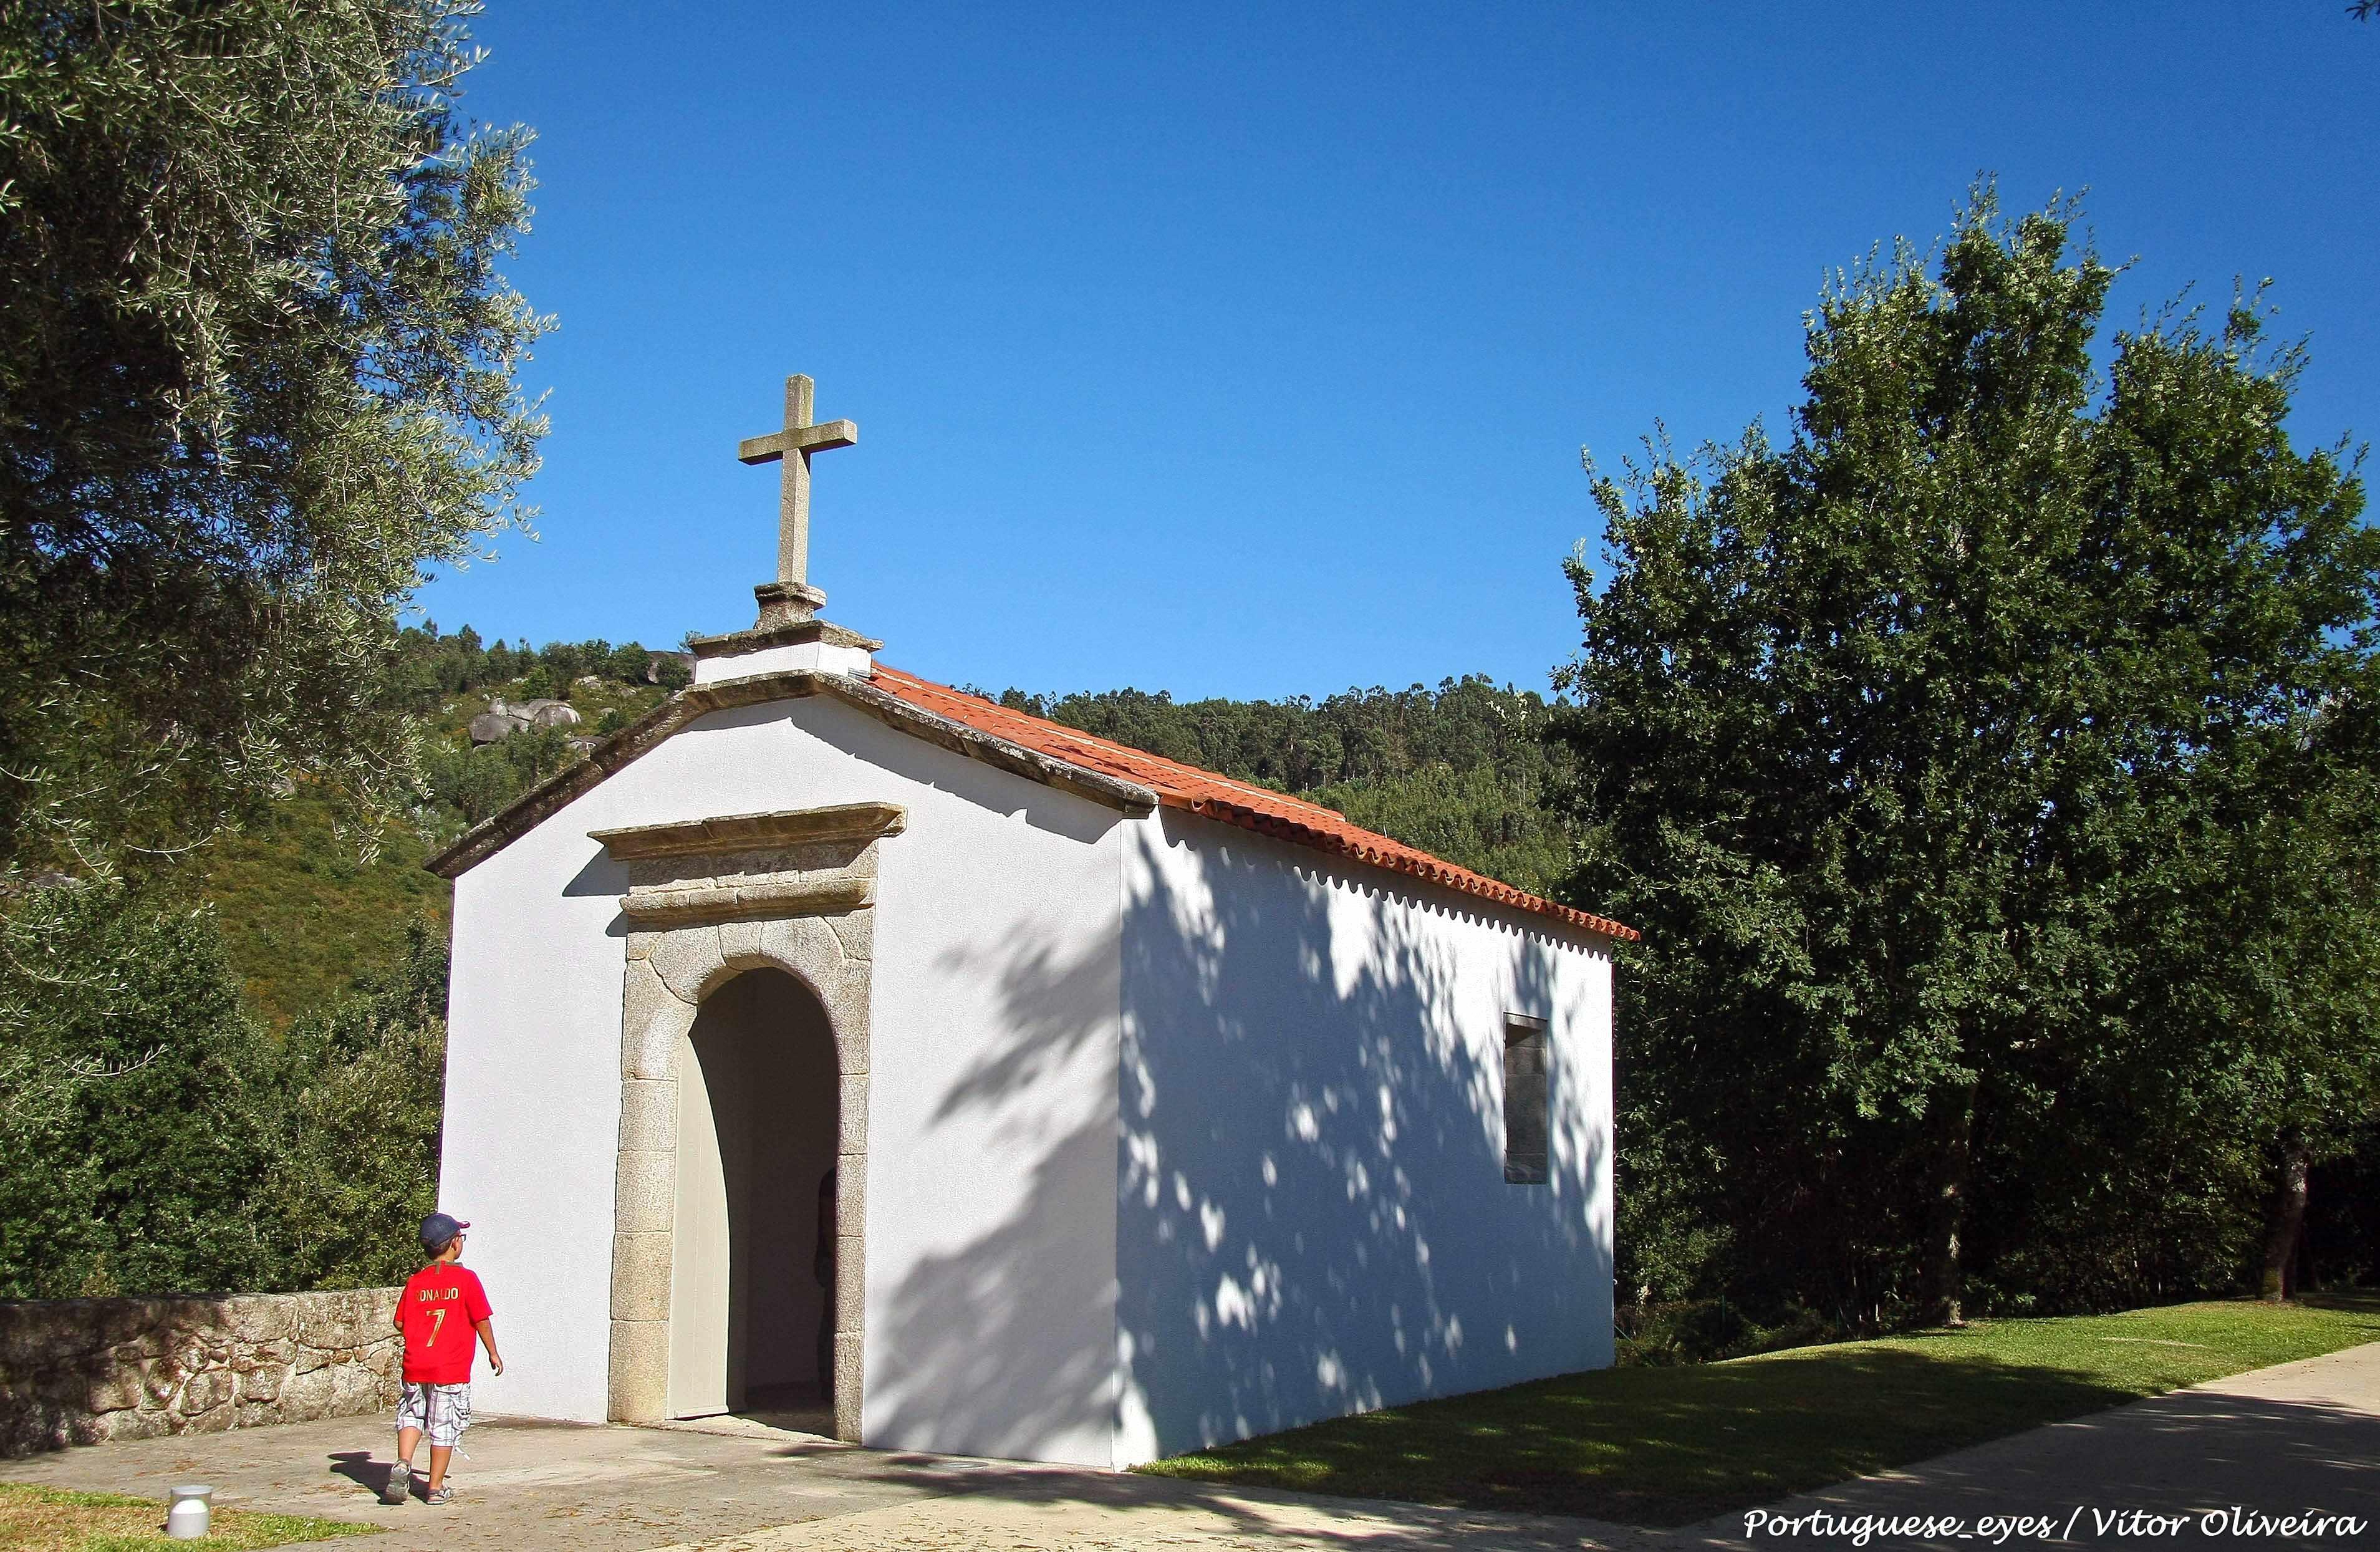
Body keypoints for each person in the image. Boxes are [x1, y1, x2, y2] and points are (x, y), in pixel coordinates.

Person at [384, 1212, 502, 1506]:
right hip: (450, 1368)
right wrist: (493, 1352)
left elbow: (400, 1322)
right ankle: (435, 1488)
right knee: (444, 1426)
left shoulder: (416, 1281)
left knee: (411, 1414)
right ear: (454, 1244)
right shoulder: (466, 1280)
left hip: (416, 1365)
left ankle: (403, 1462)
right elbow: (481, 1319)